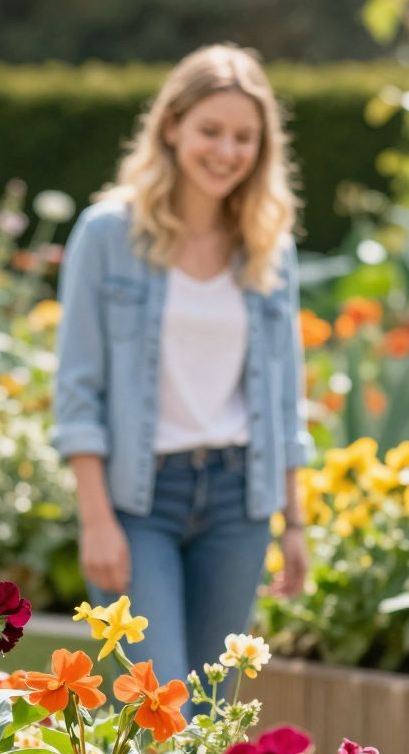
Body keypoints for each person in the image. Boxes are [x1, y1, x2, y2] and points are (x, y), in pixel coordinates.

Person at [53, 44, 312, 691]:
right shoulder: (107, 235)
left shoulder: (266, 244)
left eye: (244, 138)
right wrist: (95, 521)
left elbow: (284, 397)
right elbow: (77, 389)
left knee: (210, 711)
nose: (226, 151)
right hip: (139, 502)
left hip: (237, 502)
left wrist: (296, 523)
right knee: (155, 711)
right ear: (171, 126)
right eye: (211, 131)